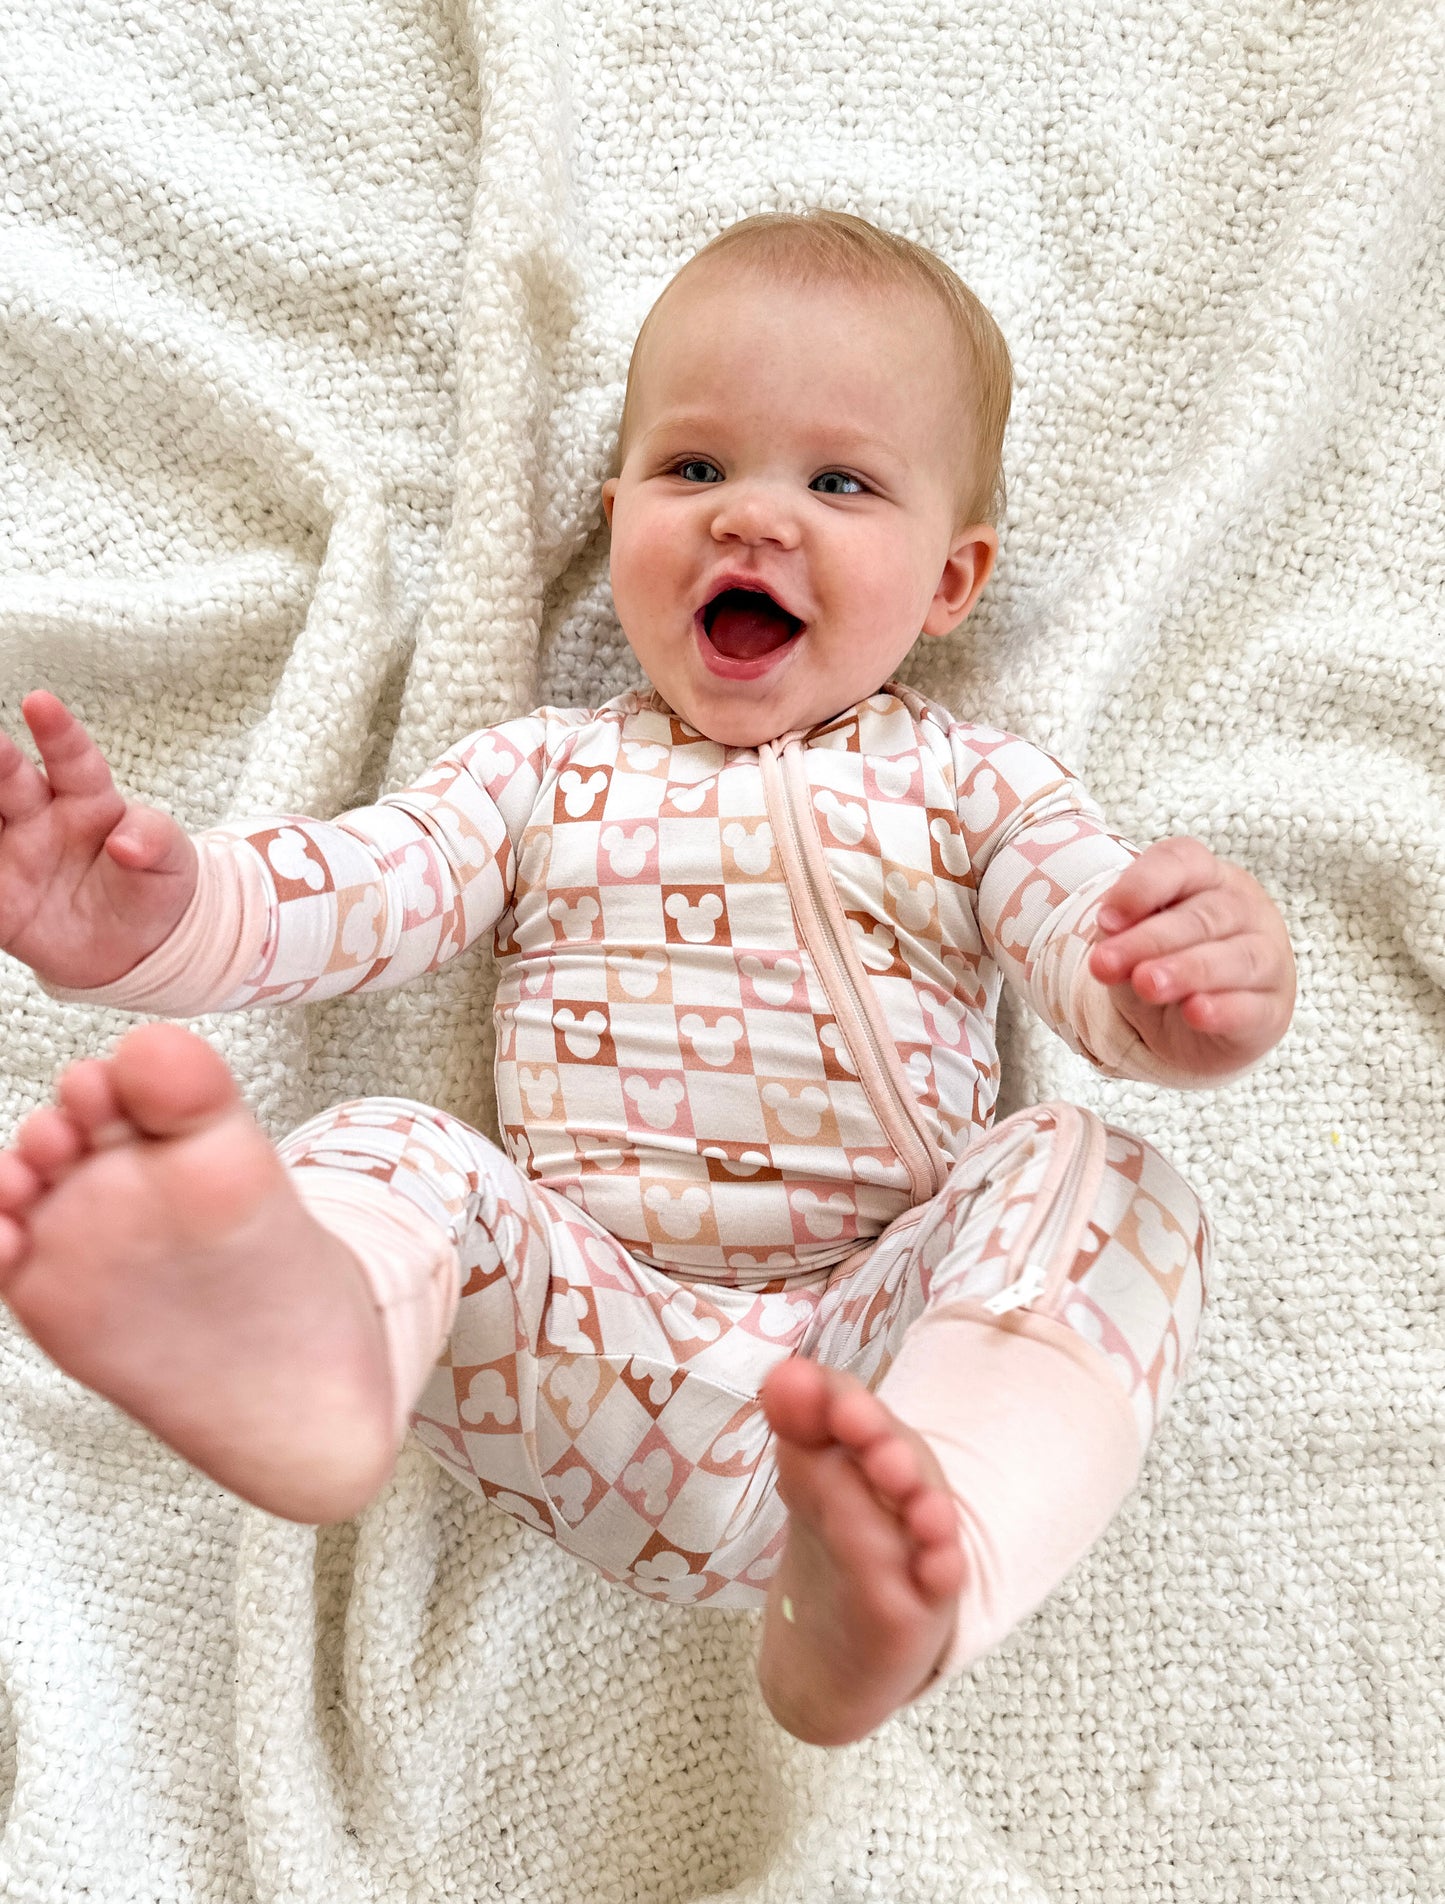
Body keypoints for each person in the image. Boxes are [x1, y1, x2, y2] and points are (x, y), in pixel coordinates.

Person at [0, 210, 1295, 1747]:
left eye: (838, 482)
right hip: (585, 1343)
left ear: (950, 580)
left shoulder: (974, 789)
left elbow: (1092, 939)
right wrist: (156, 916)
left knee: (1115, 1180)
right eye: (693, 469)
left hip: (877, 1363)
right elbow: (355, 890)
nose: (752, 520)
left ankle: (924, 1569)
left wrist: (1190, 984)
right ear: (613, 510)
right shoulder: (540, 774)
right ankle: (319, 1357)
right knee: (394, 1150)